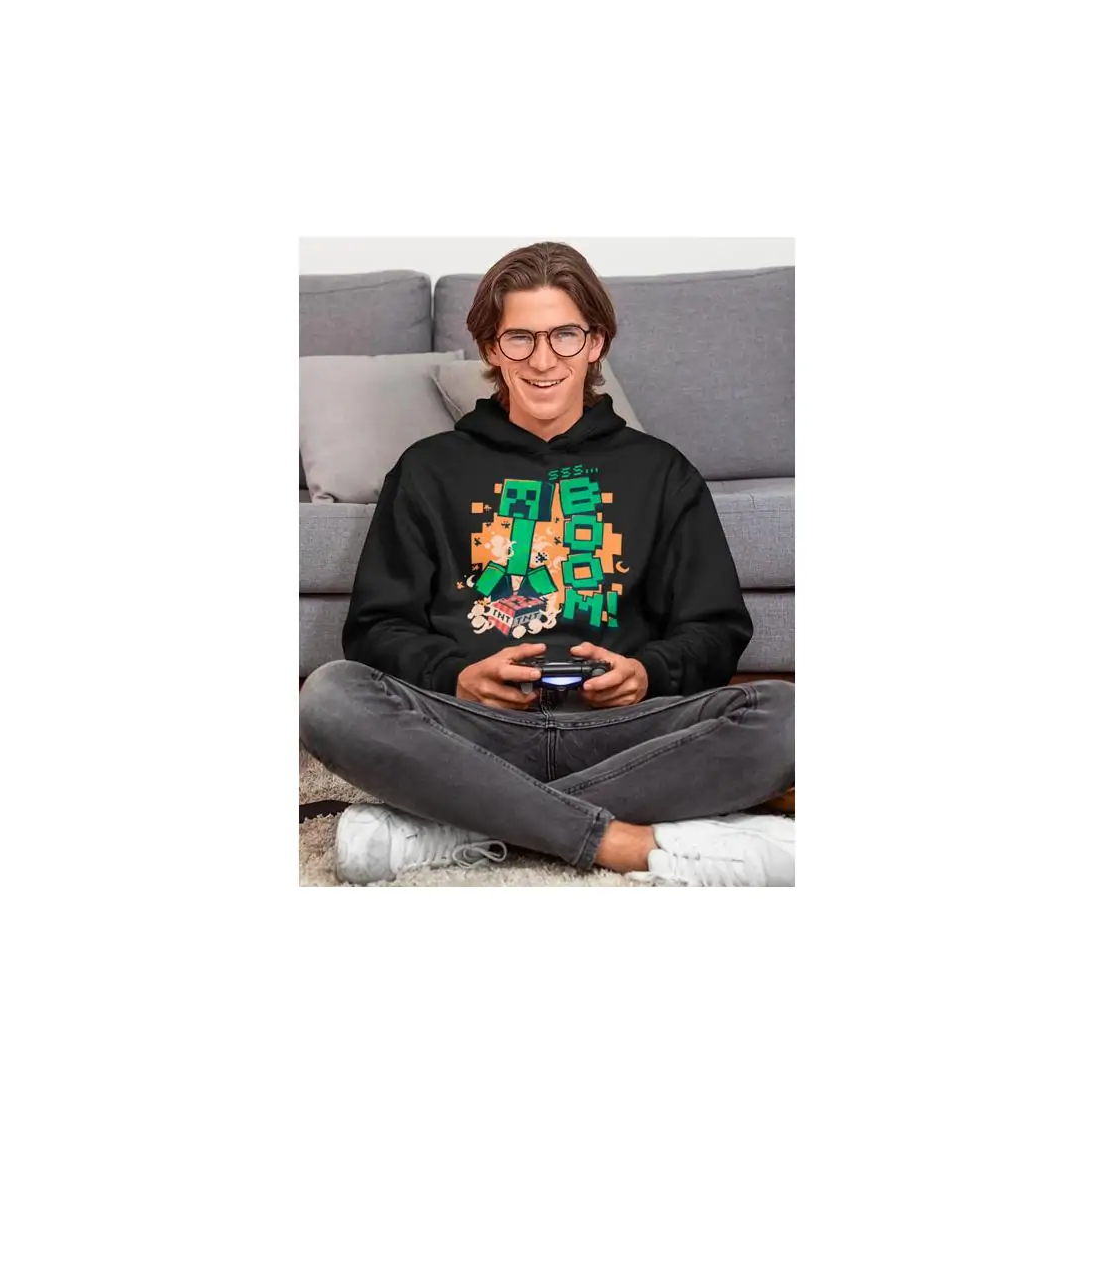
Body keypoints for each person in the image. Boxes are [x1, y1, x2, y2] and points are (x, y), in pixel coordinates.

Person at [299, 242, 795, 885]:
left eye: (565, 335)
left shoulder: (661, 472)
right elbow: (375, 628)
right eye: (520, 338)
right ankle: (619, 841)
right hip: (472, 727)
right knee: (330, 697)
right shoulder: (427, 469)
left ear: (596, 343)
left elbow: (717, 627)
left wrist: (647, 673)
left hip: (623, 730)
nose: (542, 360)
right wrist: (458, 676)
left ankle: (465, 824)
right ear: (490, 348)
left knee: (788, 716)